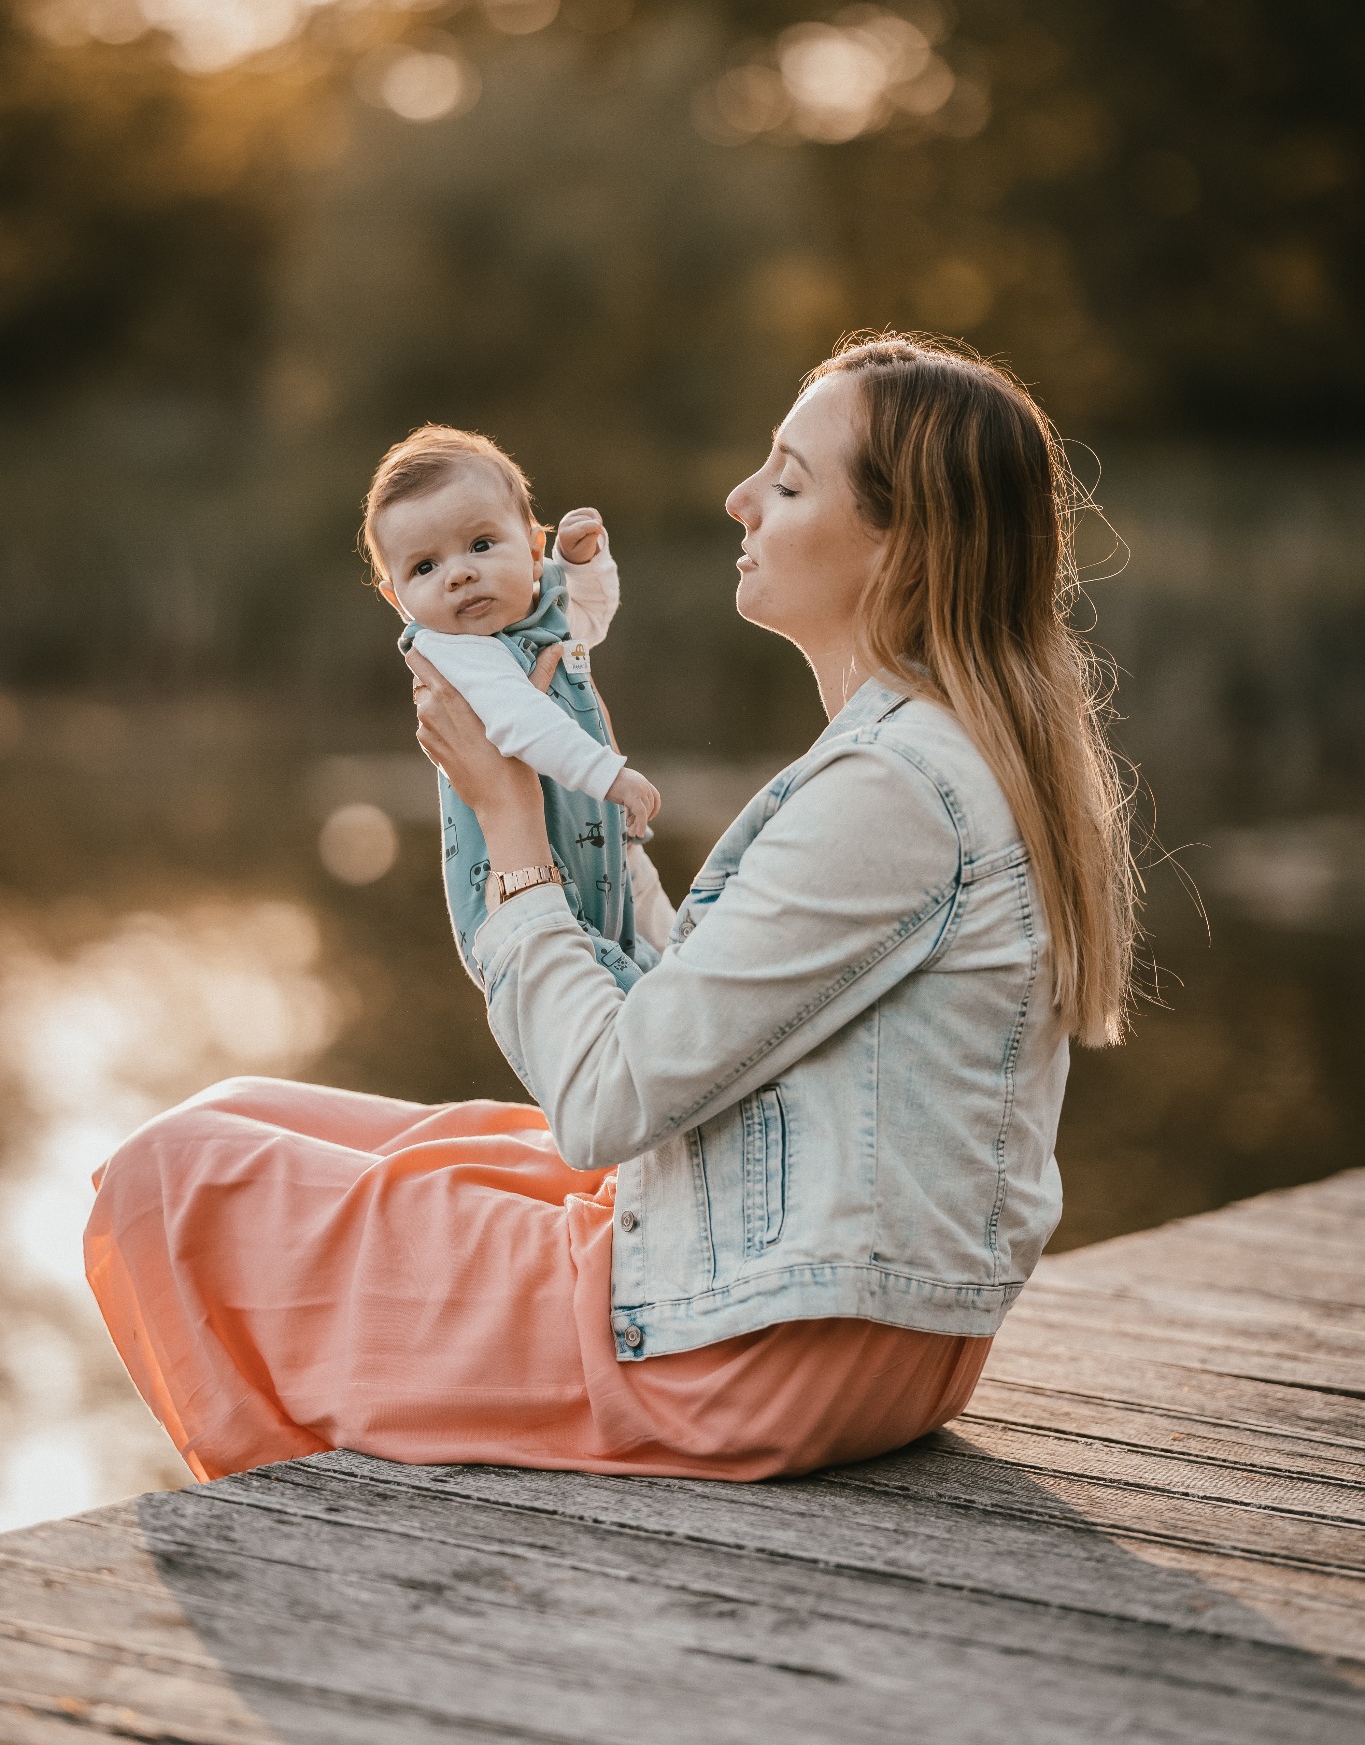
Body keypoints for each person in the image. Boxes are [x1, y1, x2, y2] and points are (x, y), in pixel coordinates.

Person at [85, 333, 1134, 1485]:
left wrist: (512, 829)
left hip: (766, 1351)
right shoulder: (925, 749)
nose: (741, 498)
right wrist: (587, 817)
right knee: (239, 1108)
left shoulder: (890, 789)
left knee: (171, 1176)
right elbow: (693, 1024)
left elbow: (599, 1101)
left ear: (902, 544)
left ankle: (296, 1517)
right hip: (842, 1311)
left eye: (786, 482)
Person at [363, 424, 670, 979]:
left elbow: (591, 622)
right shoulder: (455, 652)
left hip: (587, 846)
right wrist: (610, 775)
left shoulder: (537, 612)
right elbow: (520, 719)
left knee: (640, 960)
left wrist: (581, 565)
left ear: (532, 551)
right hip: (514, 882)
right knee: (598, 979)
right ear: (397, 599)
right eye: (424, 567)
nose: (459, 573)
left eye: (480, 546)